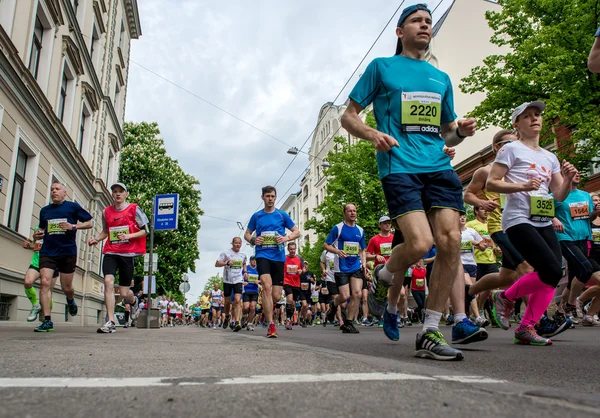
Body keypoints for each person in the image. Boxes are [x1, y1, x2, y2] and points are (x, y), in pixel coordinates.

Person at [341, 3, 479, 360]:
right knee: (420, 243)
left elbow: (446, 132)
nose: (425, 25)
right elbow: (348, 116)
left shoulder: (441, 78)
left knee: (450, 240)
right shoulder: (382, 68)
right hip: (399, 165)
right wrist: (373, 134)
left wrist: (459, 132)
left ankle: (431, 330)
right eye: (417, 20)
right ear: (400, 32)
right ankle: (387, 271)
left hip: (438, 165)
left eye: (428, 22)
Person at [488, 101, 578, 345]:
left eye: (537, 115)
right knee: (548, 269)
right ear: (516, 124)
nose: (534, 119)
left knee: (553, 272)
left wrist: (568, 181)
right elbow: (492, 183)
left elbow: (558, 195)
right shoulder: (510, 150)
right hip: (518, 219)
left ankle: (526, 328)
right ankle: (505, 297)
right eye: (527, 116)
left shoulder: (550, 157)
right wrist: (521, 186)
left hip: (542, 219)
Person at [463, 130, 534, 324]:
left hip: (520, 225)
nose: (514, 147)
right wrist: (482, 203)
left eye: (516, 143)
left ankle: (469, 292)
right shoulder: (486, 171)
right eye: (508, 144)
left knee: (506, 277)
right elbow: (467, 195)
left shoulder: (520, 171)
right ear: (497, 147)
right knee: (526, 268)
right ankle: (537, 318)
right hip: (499, 227)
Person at [88, 183, 148, 334]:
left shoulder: (134, 209)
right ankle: (111, 321)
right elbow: (106, 231)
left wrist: (128, 236)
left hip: (128, 254)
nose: (118, 194)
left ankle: (133, 301)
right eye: (115, 192)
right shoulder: (106, 211)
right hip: (111, 251)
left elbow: (145, 231)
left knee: (123, 294)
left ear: (126, 194)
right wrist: (96, 239)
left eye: (121, 191)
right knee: (108, 282)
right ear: (112, 195)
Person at [33, 181, 93, 332]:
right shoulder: (45, 210)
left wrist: (73, 226)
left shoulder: (72, 207)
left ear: (64, 193)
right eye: (52, 189)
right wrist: (37, 235)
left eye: (57, 189)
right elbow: (41, 228)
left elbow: (89, 223)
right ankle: (47, 320)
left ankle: (70, 299)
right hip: (48, 252)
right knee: (45, 282)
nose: (54, 191)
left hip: (67, 252)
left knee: (67, 287)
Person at [244, 185, 300, 338]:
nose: (270, 199)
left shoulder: (282, 215)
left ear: (275, 197)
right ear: (262, 197)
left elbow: (297, 231)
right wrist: (254, 240)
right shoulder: (257, 216)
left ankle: (267, 307)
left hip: (278, 257)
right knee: (267, 288)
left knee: (276, 296)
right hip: (262, 255)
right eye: (267, 196)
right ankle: (271, 325)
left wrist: (286, 238)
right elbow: (247, 234)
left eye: (272, 196)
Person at [551, 172, 600, 325]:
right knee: (585, 269)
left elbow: (589, 218)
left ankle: (561, 311)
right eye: (573, 173)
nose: (577, 175)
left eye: (579, 173)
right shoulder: (556, 195)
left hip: (583, 238)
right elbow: (546, 213)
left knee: (575, 277)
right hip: (565, 237)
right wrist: (554, 219)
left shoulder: (585, 195)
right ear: (564, 176)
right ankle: (573, 304)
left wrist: (595, 212)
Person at [324, 204, 368, 334]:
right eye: (349, 211)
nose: (352, 213)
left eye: (354, 211)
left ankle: (348, 323)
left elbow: (362, 249)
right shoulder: (338, 228)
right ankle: (333, 304)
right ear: (344, 213)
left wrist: (364, 263)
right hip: (341, 267)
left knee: (357, 294)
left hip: (355, 266)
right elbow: (326, 245)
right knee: (344, 296)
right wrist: (337, 251)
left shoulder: (360, 230)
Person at [21, 228, 58, 322]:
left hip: (51, 264)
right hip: (36, 262)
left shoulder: (58, 227)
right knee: (27, 282)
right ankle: (36, 305)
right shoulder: (39, 227)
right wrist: (29, 245)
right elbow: (36, 245)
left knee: (47, 291)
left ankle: (46, 317)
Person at [459, 215, 487, 326]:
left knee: (472, 291)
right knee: (470, 287)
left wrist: (479, 244)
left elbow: (483, 246)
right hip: (460, 263)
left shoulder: (471, 231)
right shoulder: (454, 232)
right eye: (460, 217)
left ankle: (467, 315)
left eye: (464, 216)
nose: (462, 218)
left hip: (472, 263)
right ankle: (478, 316)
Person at [216, 237, 247, 332]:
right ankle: (227, 317)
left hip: (238, 280)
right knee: (227, 302)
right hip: (227, 280)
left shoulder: (243, 255)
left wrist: (245, 271)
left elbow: (244, 263)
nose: (237, 245)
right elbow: (217, 263)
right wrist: (226, 263)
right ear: (232, 243)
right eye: (236, 243)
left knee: (237, 300)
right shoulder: (226, 253)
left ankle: (237, 322)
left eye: (239, 243)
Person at [283, 242, 303, 330]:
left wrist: (301, 271)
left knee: (293, 304)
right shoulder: (284, 258)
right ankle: (287, 320)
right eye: (291, 249)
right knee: (289, 299)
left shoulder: (299, 258)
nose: (292, 251)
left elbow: (303, 268)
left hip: (296, 283)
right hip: (287, 282)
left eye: (294, 249)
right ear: (288, 249)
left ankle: (290, 318)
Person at [243, 256, 260, 331]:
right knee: (246, 307)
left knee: (252, 307)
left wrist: (258, 281)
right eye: (253, 260)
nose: (254, 262)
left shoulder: (259, 269)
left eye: (255, 260)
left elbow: (263, 279)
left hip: (254, 291)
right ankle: (243, 316)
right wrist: (243, 282)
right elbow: (240, 277)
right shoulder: (246, 268)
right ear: (250, 261)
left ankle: (250, 323)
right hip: (246, 290)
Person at [299, 261, 316, 327]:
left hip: (308, 292)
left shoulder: (310, 273)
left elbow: (314, 282)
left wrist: (312, 280)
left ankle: (302, 318)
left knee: (305, 307)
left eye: (306, 264)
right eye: (304, 264)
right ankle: (302, 318)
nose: (305, 265)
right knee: (305, 305)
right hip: (301, 291)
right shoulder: (299, 273)